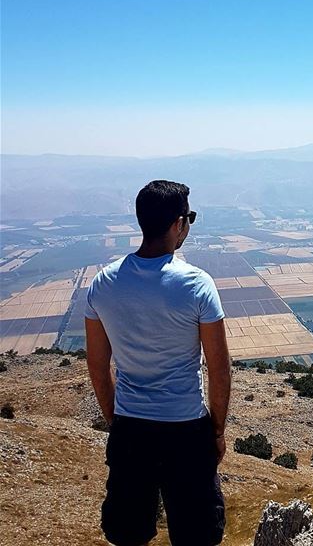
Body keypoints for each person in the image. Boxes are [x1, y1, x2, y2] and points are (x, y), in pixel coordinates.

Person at [84, 179, 230, 546]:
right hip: (186, 430)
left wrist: (115, 419)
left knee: (128, 534)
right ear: (178, 224)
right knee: (197, 536)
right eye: (190, 218)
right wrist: (216, 431)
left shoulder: (103, 284)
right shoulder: (197, 285)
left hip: (131, 429)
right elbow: (219, 367)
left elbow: (98, 366)